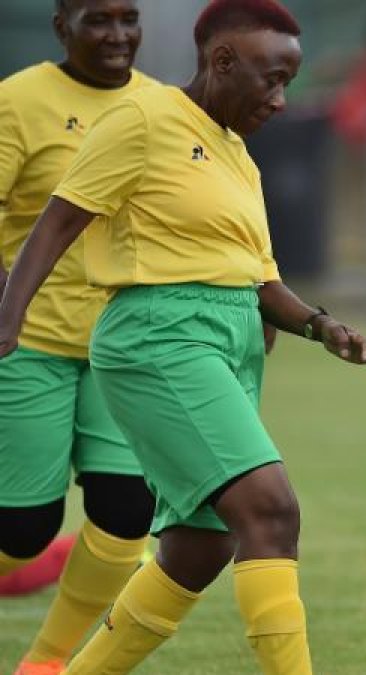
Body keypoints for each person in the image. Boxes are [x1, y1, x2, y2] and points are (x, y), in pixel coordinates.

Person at [0, 1, 366, 673]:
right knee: (270, 510)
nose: (279, 99)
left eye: (288, 82)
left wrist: (322, 325)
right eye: (270, 79)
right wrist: (8, 316)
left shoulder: (237, 154)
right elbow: (58, 222)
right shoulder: (142, 118)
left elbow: (259, 277)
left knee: (198, 544)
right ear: (221, 62)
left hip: (229, 342)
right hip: (160, 337)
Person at [0, 1, 156, 673]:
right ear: (62, 25)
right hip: (26, 337)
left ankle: (46, 661)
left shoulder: (162, 107)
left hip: (120, 348)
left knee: (126, 512)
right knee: (23, 529)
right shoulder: (18, 100)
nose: (117, 35)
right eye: (98, 19)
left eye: (128, 17)